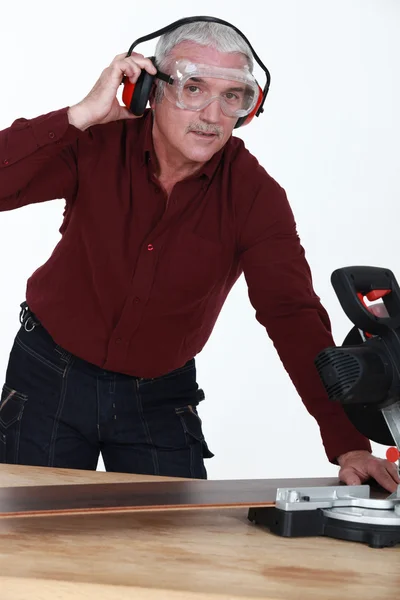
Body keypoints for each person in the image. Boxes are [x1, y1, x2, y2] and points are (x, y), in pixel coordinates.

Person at [0, 17, 398, 492]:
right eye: (193, 88)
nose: (212, 115)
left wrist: (348, 442)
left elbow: (291, 314)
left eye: (232, 96)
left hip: (159, 394)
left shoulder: (255, 195)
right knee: (28, 548)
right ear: (150, 88)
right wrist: (79, 115)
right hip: (48, 375)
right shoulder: (92, 144)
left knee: (173, 554)